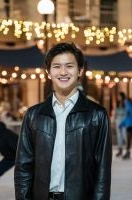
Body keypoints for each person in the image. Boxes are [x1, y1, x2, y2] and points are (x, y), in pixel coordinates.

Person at [14, 43, 112, 200]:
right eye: (57, 66)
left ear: (80, 70)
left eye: (69, 66)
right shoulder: (33, 115)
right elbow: (23, 167)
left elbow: (103, 170)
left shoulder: (97, 115)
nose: (63, 72)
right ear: (48, 72)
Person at [114, 92, 127, 157]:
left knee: (125, 135)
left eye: (119, 96)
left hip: (123, 120)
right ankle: (120, 150)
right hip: (118, 120)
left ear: (122, 96)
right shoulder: (118, 103)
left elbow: (127, 112)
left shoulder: (125, 103)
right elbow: (116, 112)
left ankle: (128, 150)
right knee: (119, 136)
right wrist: (115, 119)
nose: (118, 97)